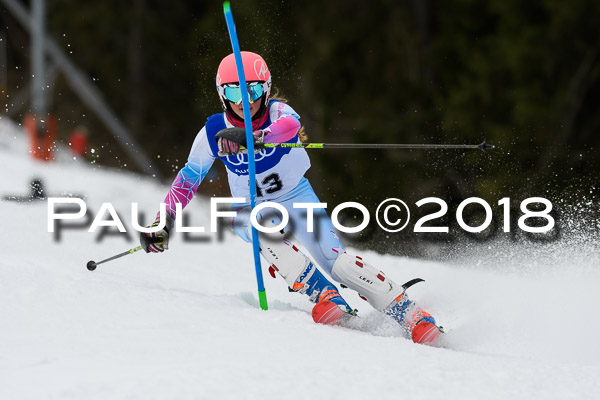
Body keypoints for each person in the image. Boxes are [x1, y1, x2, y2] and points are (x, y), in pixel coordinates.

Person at [140, 51, 443, 344]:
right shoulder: (212, 133)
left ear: (266, 89)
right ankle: (324, 295)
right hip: (251, 208)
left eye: (253, 90)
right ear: (222, 95)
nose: (245, 102)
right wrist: (163, 220)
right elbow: (188, 179)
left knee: (338, 263)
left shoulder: (278, 113)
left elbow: (290, 127)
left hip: (296, 196)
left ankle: (410, 313)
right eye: (234, 94)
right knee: (260, 231)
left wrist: (254, 139)